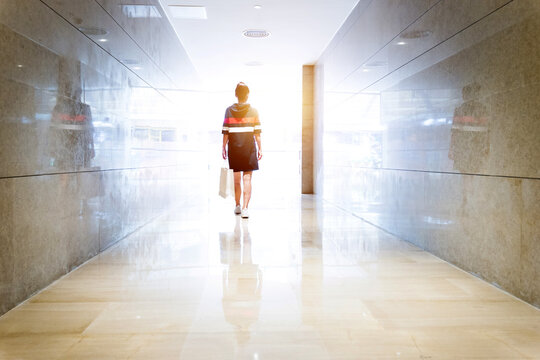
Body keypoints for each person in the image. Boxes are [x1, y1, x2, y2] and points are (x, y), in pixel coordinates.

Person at [222, 82, 262, 218]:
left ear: (236, 94)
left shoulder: (229, 110)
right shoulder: (254, 111)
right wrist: (260, 149)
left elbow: (225, 131)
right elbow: (257, 133)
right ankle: (245, 208)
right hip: (249, 148)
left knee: (236, 180)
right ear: (247, 95)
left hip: (234, 148)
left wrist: (223, 147)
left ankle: (237, 205)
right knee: (247, 180)